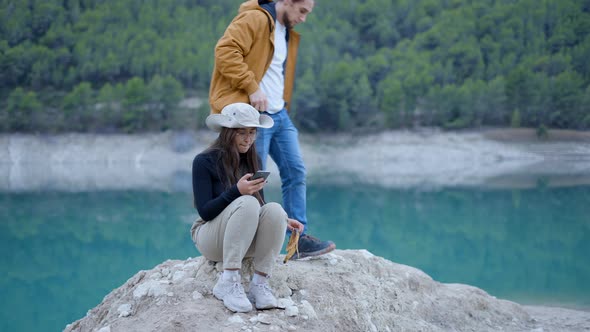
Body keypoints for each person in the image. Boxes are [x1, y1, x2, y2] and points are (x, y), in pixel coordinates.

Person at [208, 0, 335, 259]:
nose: (303, 19)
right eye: (302, 11)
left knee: (295, 171)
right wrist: (252, 88)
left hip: (279, 114)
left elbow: (275, 73)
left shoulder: (286, 32)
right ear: (287, 1)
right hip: (254, 116)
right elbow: (224, 51)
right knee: (253, 177)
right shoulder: (255, 19)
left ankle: (297, 242)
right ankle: (248, 242)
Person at [190, 103, 305, 313]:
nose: (248, 139)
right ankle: (229, 281)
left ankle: (259, 285)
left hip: (241, 238)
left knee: (276, 210)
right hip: (210, 238)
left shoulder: (253, 159)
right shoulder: (204, 161)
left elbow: (260, 206)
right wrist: (236, 191)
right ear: (227, 133)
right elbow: (205, 212)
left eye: (252, 132)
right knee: (247, 201)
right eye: (241, 133)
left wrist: (283, 222)